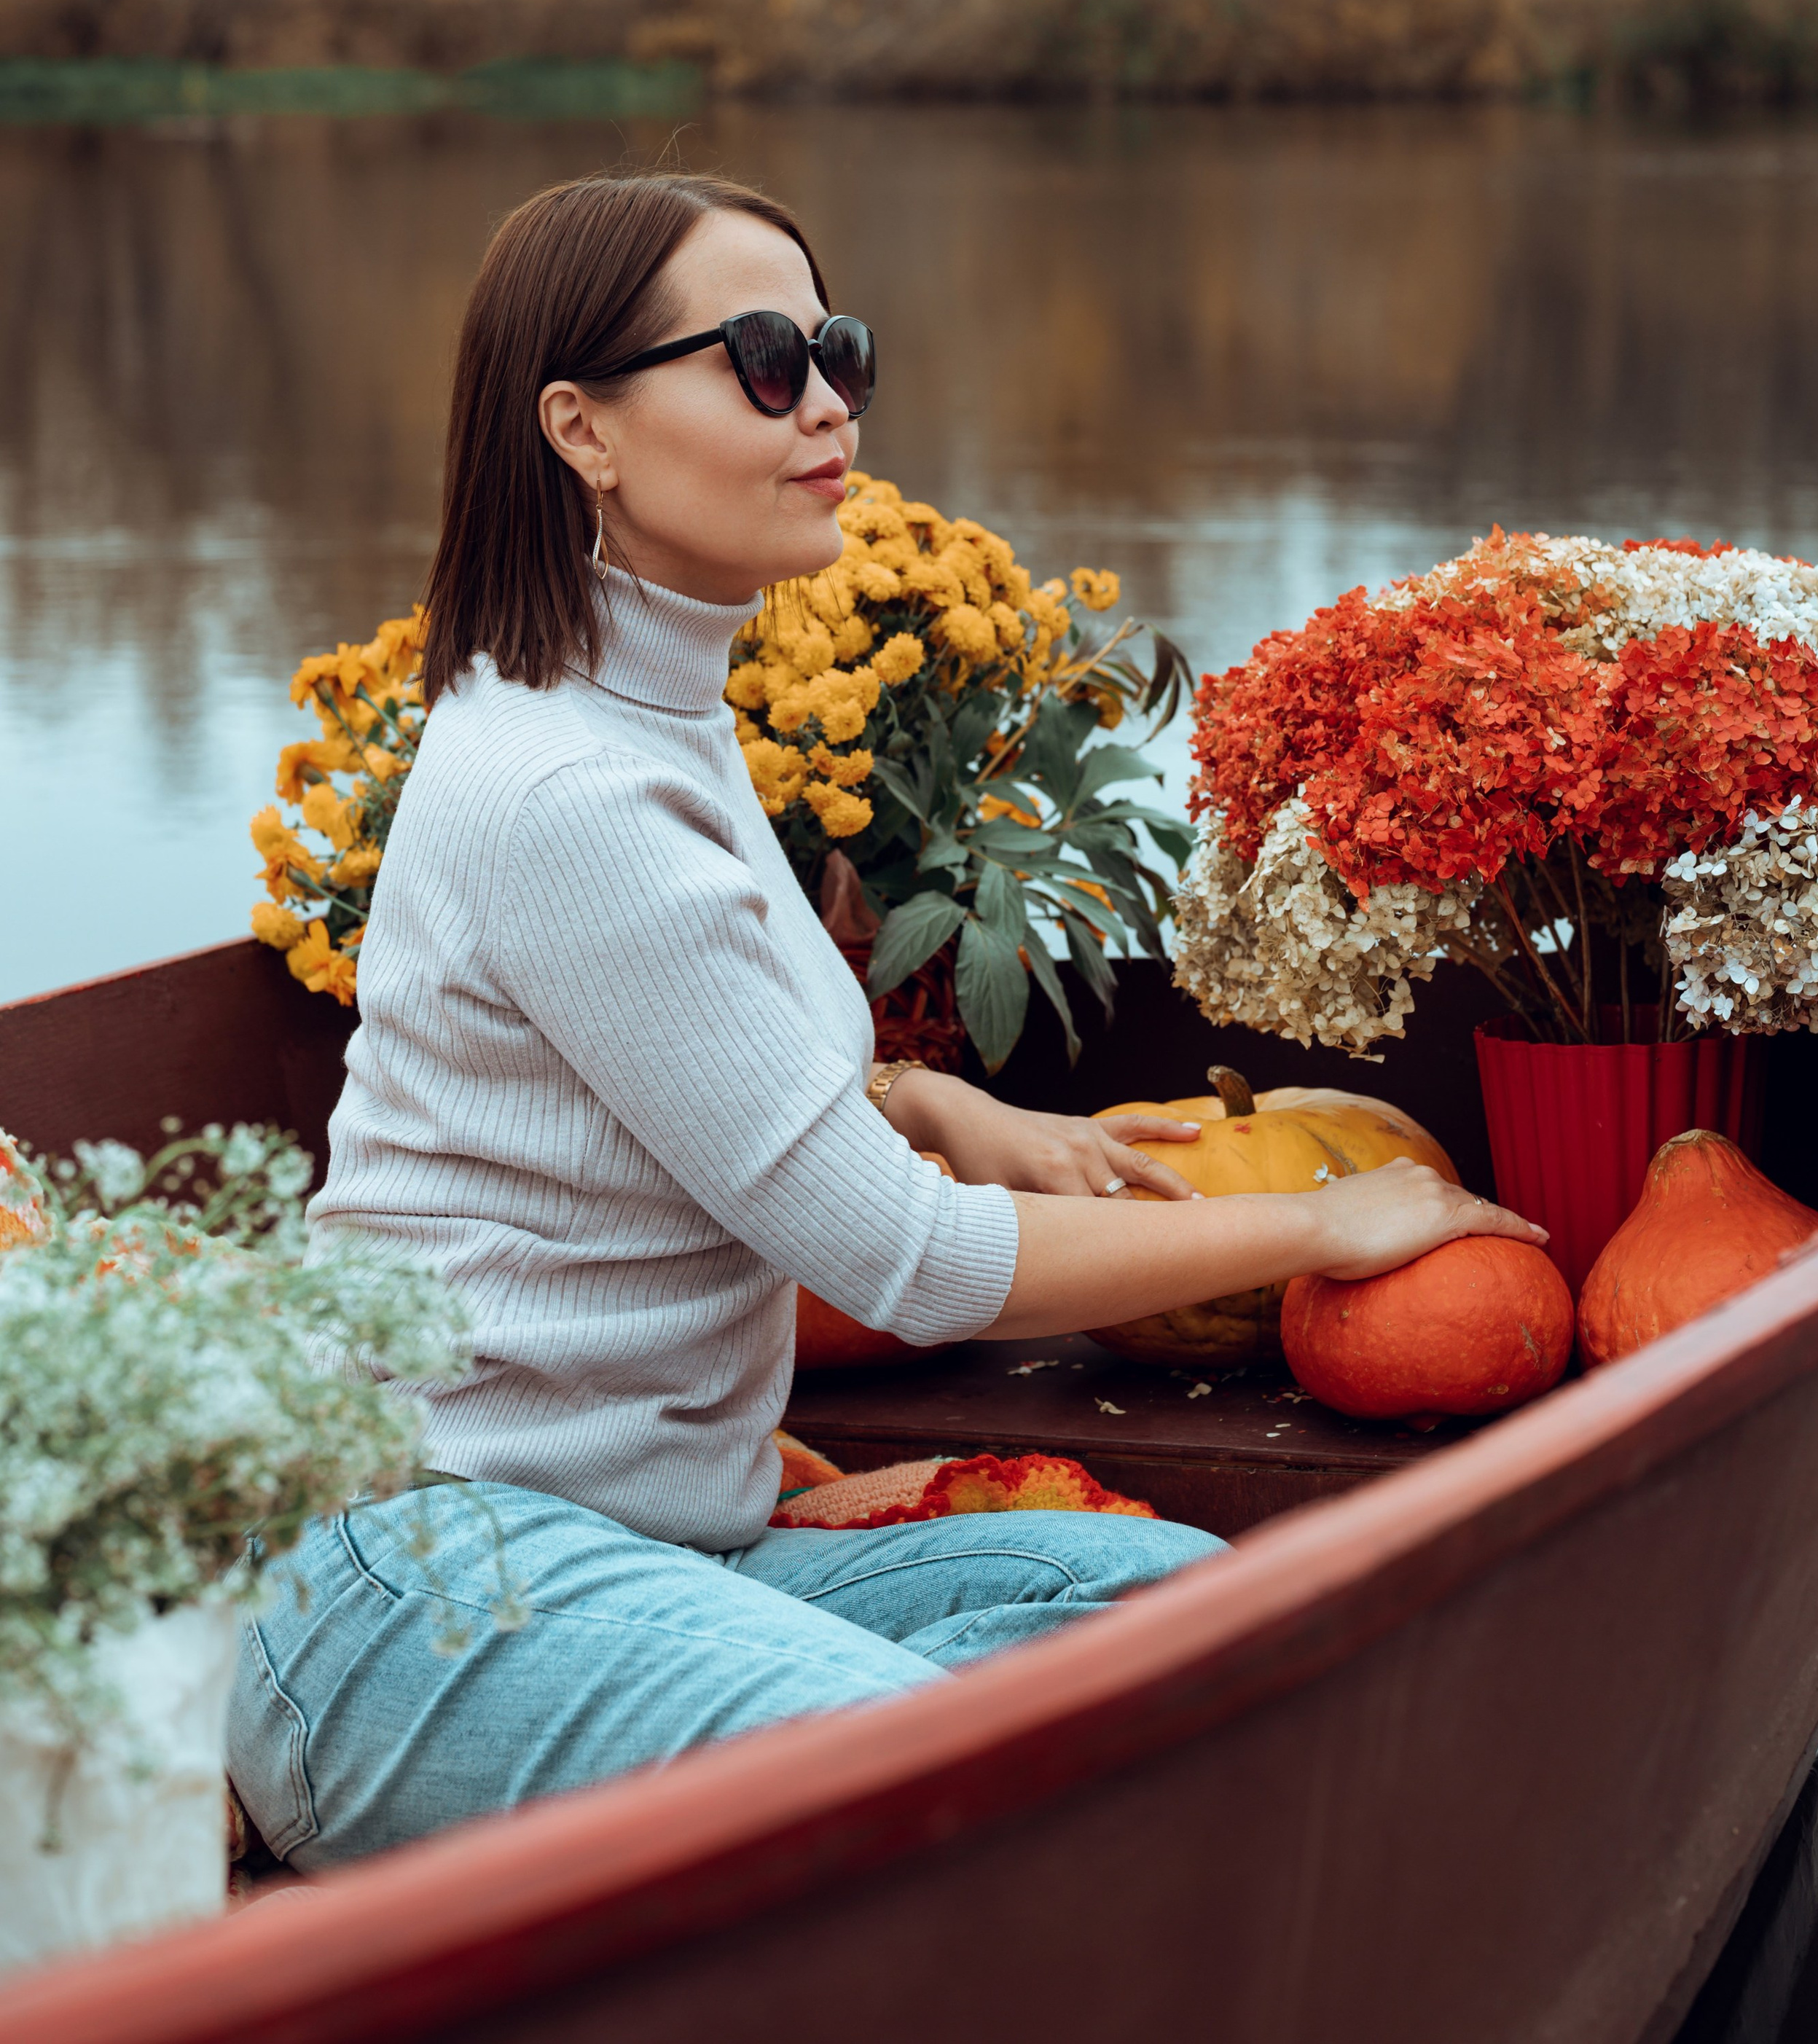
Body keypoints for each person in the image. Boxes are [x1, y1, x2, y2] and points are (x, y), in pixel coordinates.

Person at [228, 171, 1544, 1870]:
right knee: (971, 1779)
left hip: (643, 1551)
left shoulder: (646, 707)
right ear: (583, 428)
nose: (830, 400)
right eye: (762, 360)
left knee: (1164, 1609)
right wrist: (1319, 1219)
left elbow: (692, 1060)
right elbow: (898, 1266)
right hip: (412, 1589)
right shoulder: (569, 792)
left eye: (835, 348)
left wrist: (927, 1096)